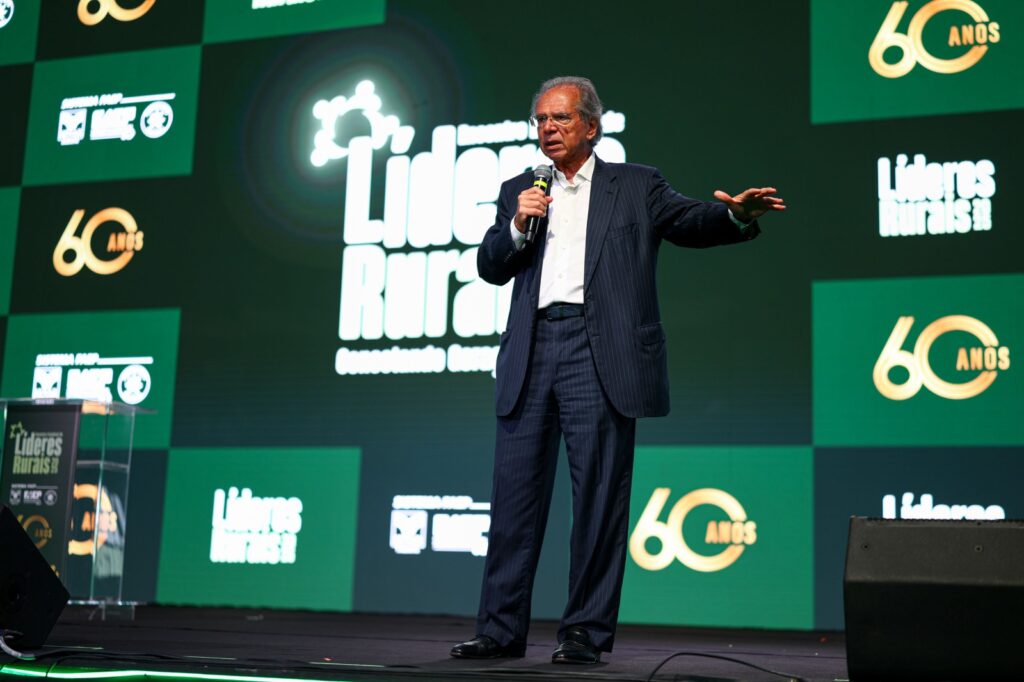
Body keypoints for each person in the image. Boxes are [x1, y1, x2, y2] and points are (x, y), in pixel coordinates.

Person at [450, 76, 785, 664]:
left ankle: (583, 632)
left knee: (600, 501)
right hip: (531, 350)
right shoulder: (519, 190)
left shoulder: (635, 184)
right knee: (513, 500)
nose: (548, 129)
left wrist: (734, 217)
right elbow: (491, 266)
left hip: (598, 351)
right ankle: (500, 631)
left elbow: (691, 222)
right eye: (540, 120)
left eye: (560, 118)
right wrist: (517, 225)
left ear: (591, 126)